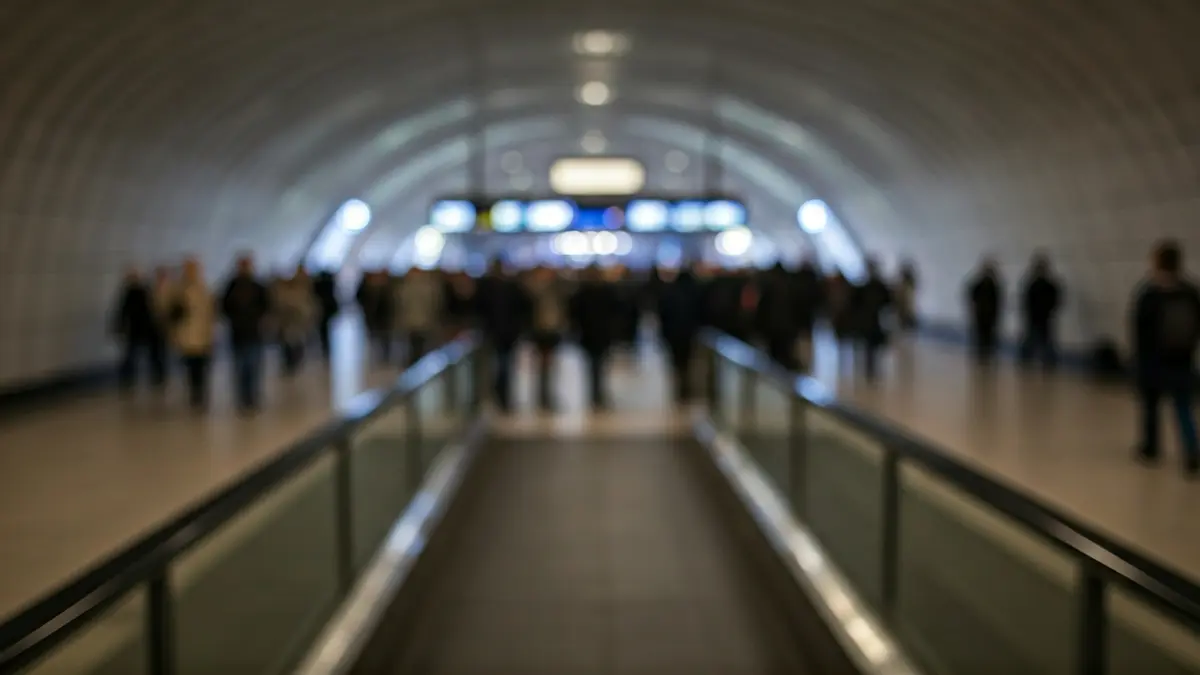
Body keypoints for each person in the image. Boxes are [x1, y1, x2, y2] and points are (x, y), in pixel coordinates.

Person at [1130, 240, 1200, 476]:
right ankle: (1192, 452)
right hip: (1182, 360)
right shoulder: (1190, 292)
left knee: (1151, 406)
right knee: (1183, 407)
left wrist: (1137, 359)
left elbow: (1139, 329)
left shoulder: (1150, 292)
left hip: (1153, 361)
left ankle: (1151, 449)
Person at [474, 260, 529, 412]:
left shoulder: (509, 288)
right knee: (495, 366)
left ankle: (502, 396)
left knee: (504, 366)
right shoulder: (487, 289)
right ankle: (496, 396)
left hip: (506, 334)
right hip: (494, 333)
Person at [222, 255, 270, 412]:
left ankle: (253, 398)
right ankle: (243, 399)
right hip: (238, 334)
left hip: (254, 333)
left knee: (253, 368)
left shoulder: (257, 286)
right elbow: (224, 307)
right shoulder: (232, 286)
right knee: (240, 368)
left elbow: (266, 306)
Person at [570, 265, 619, 410]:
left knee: (594, 367)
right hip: (598, 335)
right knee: (599, 366)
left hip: (591, 335)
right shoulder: (605, 292)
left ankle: (596, 395)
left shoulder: (582, 293)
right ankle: (598, 395)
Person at [171, 258, 217, 411]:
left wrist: (211, 335)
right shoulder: (178, 291)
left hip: (202, 338)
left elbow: (210, 314)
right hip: (187, 338)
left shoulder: (204, 289)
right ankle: (194, 396)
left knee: (202, 369)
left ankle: (201, 396)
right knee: (190, 370)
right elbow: (171, 313)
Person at [111, 266, 165, 392]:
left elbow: (123, 312)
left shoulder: (139, 291)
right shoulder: (137, 291)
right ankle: (135, 379)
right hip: (140, 330)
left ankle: (150, 378)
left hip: (143, 329)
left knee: (147, 356)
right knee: (137, 356)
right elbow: (123, 312)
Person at [657, 264, 705, 403]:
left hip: (673, 333)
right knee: (687, 361)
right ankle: (686, 388)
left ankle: (680, 388)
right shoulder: (695, 293)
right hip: (688, 333)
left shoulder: (670, 292)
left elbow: (663, 314)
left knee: (677, 362)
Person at [525, 266, 570, 411]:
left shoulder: (556, 291)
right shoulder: (534, 292)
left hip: (552, 332)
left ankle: (548, 396)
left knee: (550, 366)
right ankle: (542, 397)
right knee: (542, 367)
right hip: (541, 332)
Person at [393, 268, 445, 366]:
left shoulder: (424, 287)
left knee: (419, 347)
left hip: (420, 323)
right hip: (415, 323)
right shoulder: (424, 286)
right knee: (415, 347)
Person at [853, 259, 894, 381]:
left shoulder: (876, 287)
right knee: (869, 348)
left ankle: (872, 369)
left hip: (875, 321)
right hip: (869, 322)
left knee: (872, 347)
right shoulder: (868, 287)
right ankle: (870, 370)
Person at [1019, 254, 1062, 370]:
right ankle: (1031, 360)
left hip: (1042, 316)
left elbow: (1055, 300)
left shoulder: (1041, 285)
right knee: (1036, 340)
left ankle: (1045, 362)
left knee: (1043, 340)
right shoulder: (1037, 284)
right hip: (1038, 316)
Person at [273, 265, 316, 376]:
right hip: (288, 323)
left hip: (298, 323)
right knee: (288, 344)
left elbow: (307, 306)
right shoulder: (287, 292)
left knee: (297, 343)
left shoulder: (304, 289)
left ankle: (295, 362)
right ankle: (290, 363)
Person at [966, 258, 1004, 364]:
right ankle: (982, 355)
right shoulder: (984, 285)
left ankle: (985, 355)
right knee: (982, 337)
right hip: (982, 316)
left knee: (987, 338)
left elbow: (998, 302)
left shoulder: (992, 286)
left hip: (987, 316)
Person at [312, 269, 339, 361]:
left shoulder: (320, 284)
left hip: (325, 309)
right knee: (325, 330)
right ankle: (326, 348)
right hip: (326, 309)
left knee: (324, 330)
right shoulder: (329, 283)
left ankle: (326, 348)